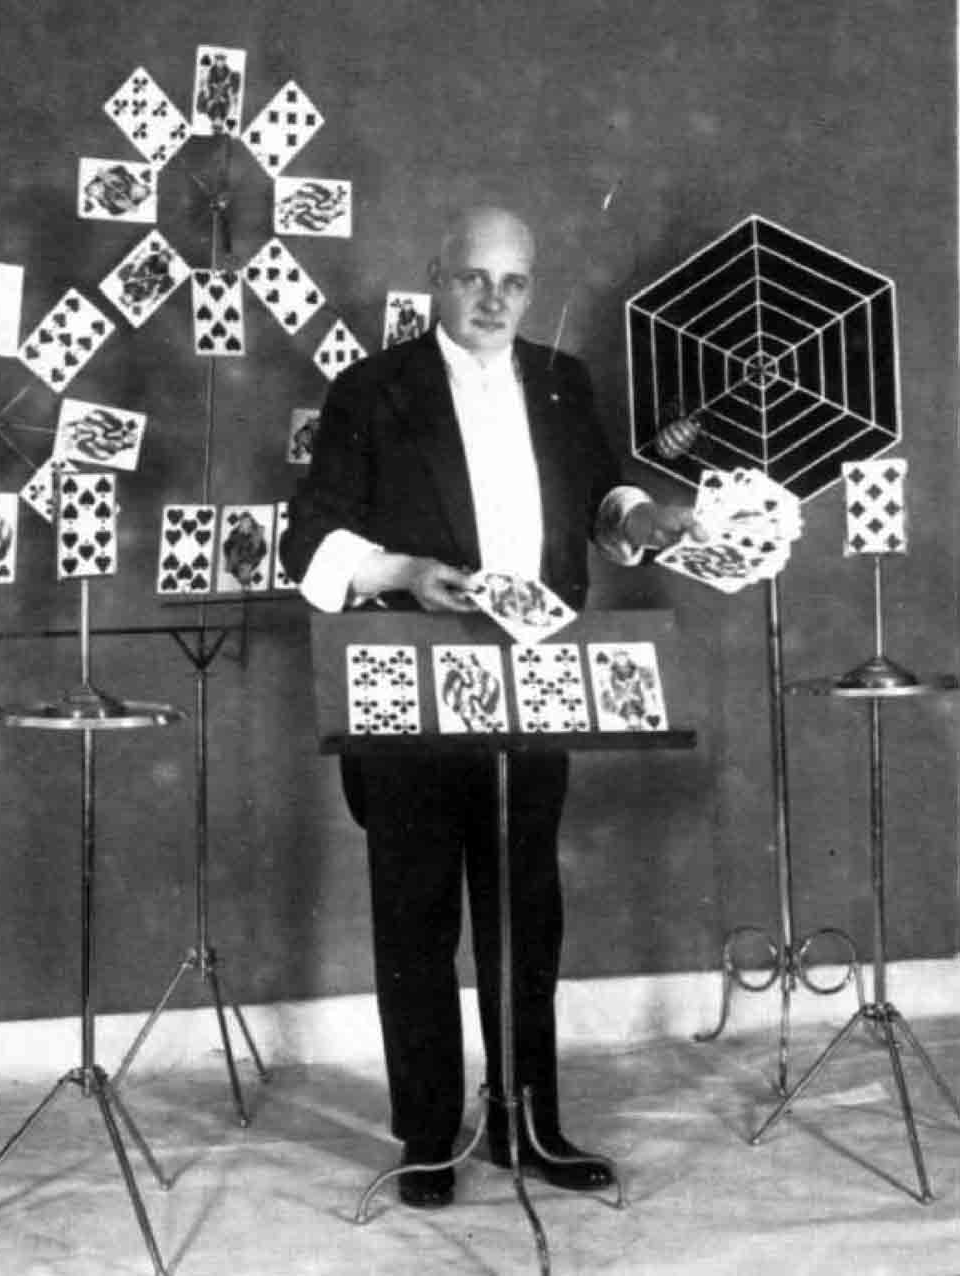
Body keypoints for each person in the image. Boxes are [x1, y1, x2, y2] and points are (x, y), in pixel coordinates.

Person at [278, 205, 702, 1209]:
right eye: (473, 277)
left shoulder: (562, 380)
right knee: (416, 916)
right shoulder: (371, 388)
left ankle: (527, 1122)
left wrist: (639, 515)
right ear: (436, 275)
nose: (492, 300)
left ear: (529, 288)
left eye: (512, 282)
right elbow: (309, 538)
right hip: (411, 683)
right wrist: (404, 571)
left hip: (539, 681)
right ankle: (429, 1138)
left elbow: (600, 501)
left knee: (524, 915)